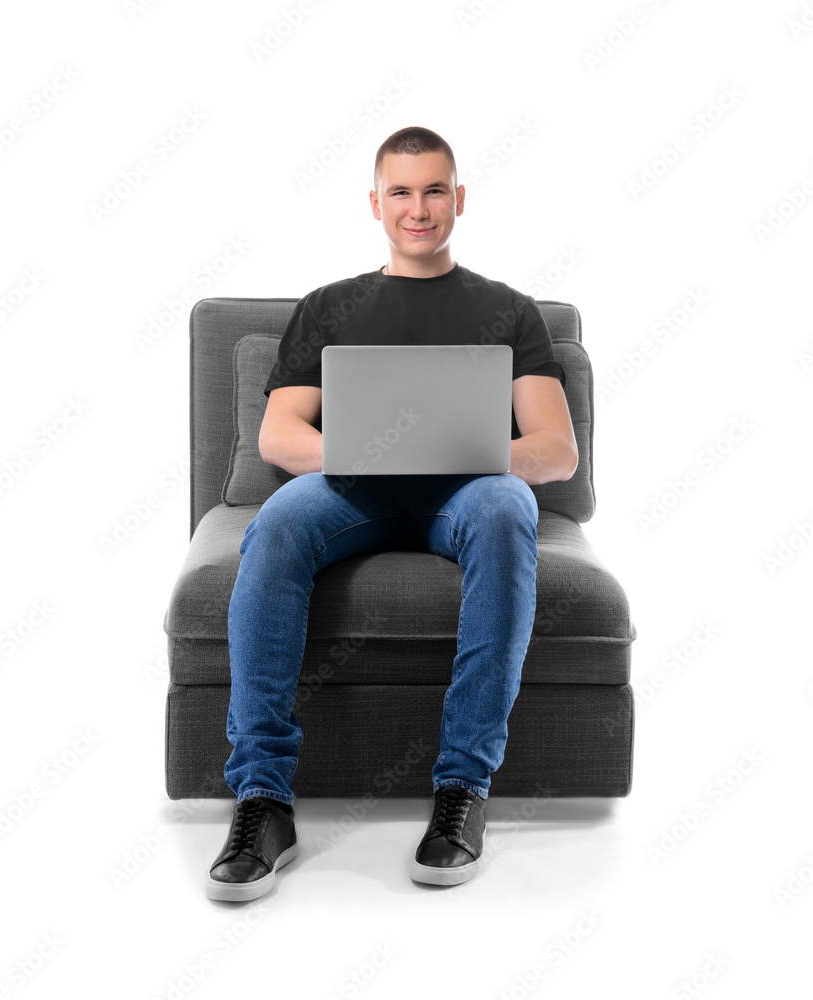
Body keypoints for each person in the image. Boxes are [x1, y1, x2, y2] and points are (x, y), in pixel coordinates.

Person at [207, 126, 578, 901]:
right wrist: (372, 449)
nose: (419, 208)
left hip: (468, 493)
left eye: (435, 189)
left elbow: (555, 451)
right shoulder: (331, 307)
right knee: (272, 525)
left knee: (509, 503)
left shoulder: (509, 312)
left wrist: (459, 451)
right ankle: (263, 800)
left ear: (460, 199)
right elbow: (281, 436)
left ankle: (461, 793)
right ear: (376, 203)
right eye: (402, 192)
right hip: (354, 490)